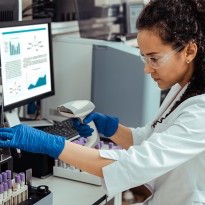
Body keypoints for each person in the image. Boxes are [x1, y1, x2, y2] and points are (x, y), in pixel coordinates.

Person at [0, 0, 205, 204]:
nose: (147, 69)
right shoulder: (184, 86)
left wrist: (50, 144)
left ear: (189, 51)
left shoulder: (200, 112)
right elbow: (151, 139)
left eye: (154, 59)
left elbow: (135, 163)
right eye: (144, 58)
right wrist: (111, 128)